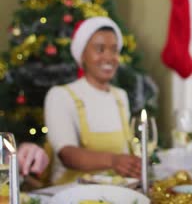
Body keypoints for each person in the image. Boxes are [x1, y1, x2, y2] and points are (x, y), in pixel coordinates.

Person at [44, 16, 141, 185]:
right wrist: (113, 161)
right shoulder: (61, 95)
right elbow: (67, 155)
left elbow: (126, 151)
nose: (109, 58)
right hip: (70, 193)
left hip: (116, 191)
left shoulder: (120, 97)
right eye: (100, 49)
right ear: (82, 56)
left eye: (114, 50)